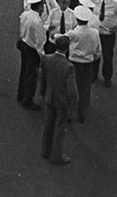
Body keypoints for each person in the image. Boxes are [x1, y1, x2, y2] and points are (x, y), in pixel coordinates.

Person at [39, 36, 79, 165]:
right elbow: (71, 89)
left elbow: (42, 77)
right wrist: (74, 102)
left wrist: (43, 92)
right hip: (62, 101)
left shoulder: (46, 59)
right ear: (68, 47)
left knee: (48, 124)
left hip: (49, 96)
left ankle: (45, 150)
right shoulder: (69, 67)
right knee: (60, 128)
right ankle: (57, 156)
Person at [66, 6, 101, 123]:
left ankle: (69, 114)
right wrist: (93, 58)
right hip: (88, 63)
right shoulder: (94, 32)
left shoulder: (74, 33)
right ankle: (82, 113)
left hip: (75, 62)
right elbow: (98, 51)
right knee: (84, 88)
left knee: (72, 88)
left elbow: (62, 39)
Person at [18, 0, 46, 111]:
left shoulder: (25, 14)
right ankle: (27, 99)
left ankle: (21, 94)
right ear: (40, 7)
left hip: (24, 44)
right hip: (32, 49)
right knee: (32, 74)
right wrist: (42, 57)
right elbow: (39, 43)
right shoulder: (38, 21)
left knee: (24, 70)